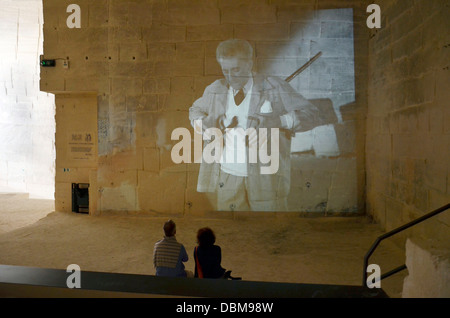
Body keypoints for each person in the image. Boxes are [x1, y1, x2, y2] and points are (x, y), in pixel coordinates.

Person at [189, 39, 326, 212]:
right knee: (232, 232)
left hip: (266, 178)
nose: (230, 77)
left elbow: (313, 114)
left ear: (249, 63)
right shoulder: (215, 89)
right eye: (225, 70)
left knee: (269, 232)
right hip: (227, 176)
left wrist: (279, 121)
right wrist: (208, 125)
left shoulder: (274, 87)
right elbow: (194, 111)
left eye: (236, 69)